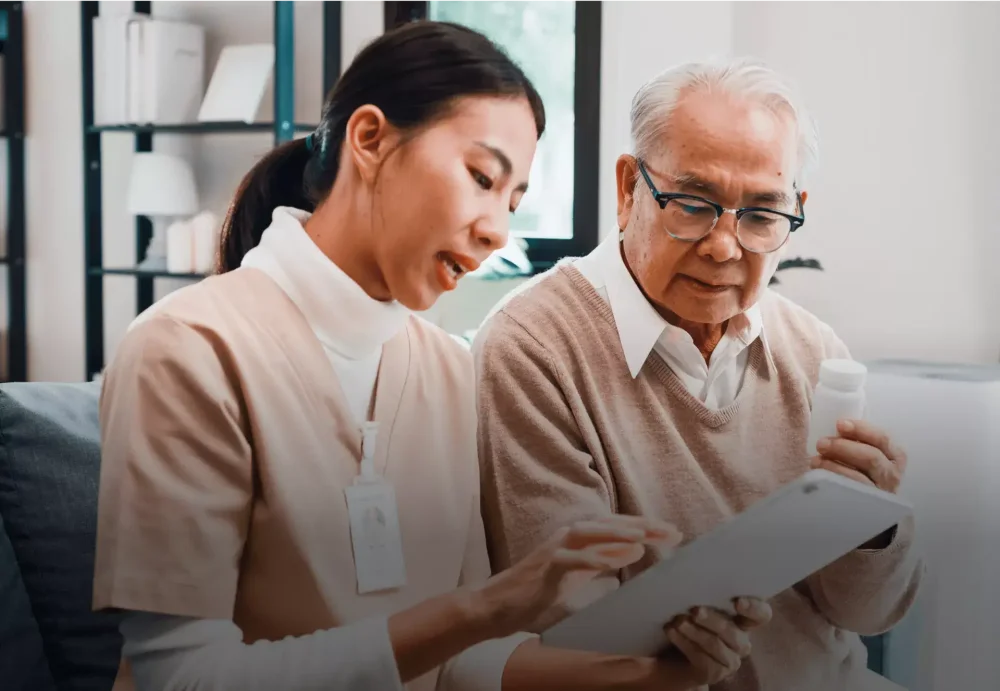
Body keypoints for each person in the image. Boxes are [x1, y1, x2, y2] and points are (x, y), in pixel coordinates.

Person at [93, 22, 771, 691]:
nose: (496, 229)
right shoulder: (187, 350)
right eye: (481, 177)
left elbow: (455, 663)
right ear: (369, 139)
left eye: (514, 200)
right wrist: (478, 609)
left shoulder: (447, 370)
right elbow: (179, 677)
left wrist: (644, 674)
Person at [473, 57, 924, 690]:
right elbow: (577, 634)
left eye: (762, 216)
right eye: (692, 203)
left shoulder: (812, 350)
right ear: (629, 188)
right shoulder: (535, 348)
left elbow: (868, 614)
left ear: (794, 212)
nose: (723, 247)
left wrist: (873, 531)